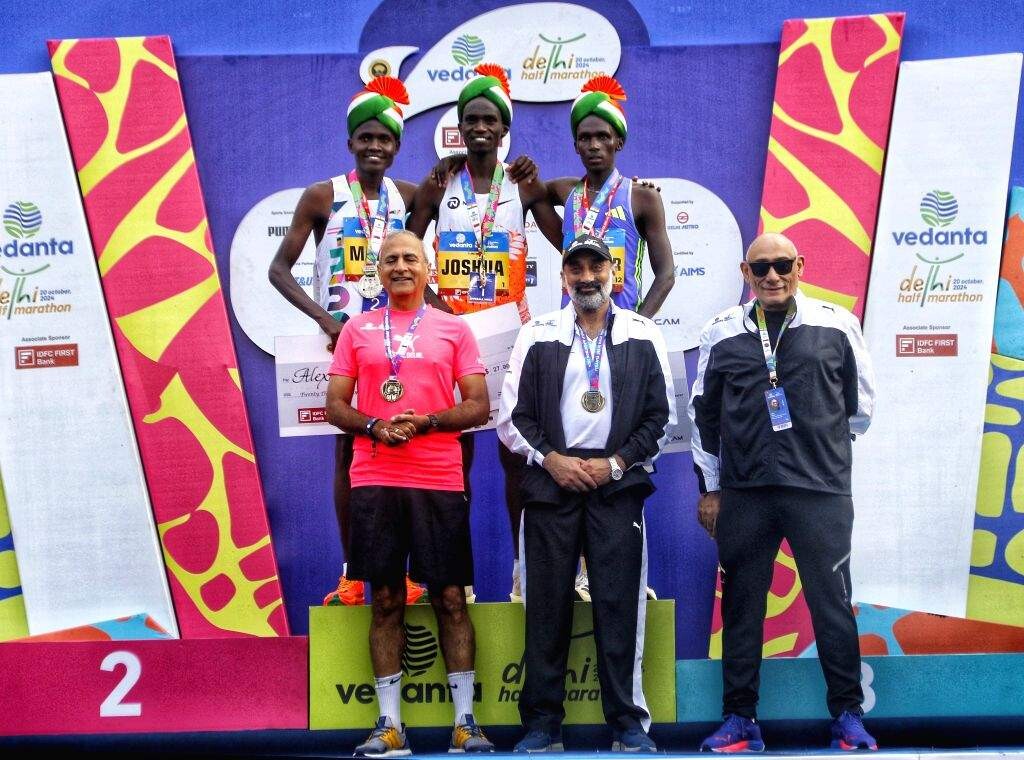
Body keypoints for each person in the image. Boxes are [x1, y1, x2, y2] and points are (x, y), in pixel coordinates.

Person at [688, 232, 877, 752]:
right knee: (742, 607)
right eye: (761, 267)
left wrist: (816, 445)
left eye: (782, 265)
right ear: (745, 272)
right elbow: (703, 415)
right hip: (746, 493)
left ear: (800, 265)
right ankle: (739, 719)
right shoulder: (721, 332)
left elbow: (860, 408)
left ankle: (848, 716)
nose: (772, 276)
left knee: (832, 604)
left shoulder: (837, 324)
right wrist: (711, 487)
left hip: (819, 492)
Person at [497, 233, 675, 753]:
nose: (587, 277)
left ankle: (627, 723)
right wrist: (551, 459)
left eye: (596, 267)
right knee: (545, 607)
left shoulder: (643, 332)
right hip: (551, 482)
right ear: (563, 278)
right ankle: (542, 725)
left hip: (616, 484)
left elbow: (661, 416)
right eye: (576, 269)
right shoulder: (537, 334)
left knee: (619, 606)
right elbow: (512, 417)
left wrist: (615, 463)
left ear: (613, 273)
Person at [325, 230, 494, 756]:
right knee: (385, 600)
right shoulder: (357, 329)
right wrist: (375, 426)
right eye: (391, 259)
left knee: (450, 598)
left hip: (437, 477)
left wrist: (428, 422)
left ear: (428, 269)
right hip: (375, 477)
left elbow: (479, 405)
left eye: (410, 259)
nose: (401, 267)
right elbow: (335, 405)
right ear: (378, 271)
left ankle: (465, 723)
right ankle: (390, 726)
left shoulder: (454, 328)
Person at [408, 62, 554, 604]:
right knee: (454, 462)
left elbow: (571, 236)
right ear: (460, 127)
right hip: (452, 337)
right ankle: (455, 578)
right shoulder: (439, 183)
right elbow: (403, 253)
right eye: (471, 119)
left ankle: (522, 571)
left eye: (490, 120)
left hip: (510, 337)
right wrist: (434, 306)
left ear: (504, 127)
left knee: (516, 459)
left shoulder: (522, 183)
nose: (480, 128)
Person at [539, 75, 675, 602]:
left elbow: (666, 273)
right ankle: (574, 570)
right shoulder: (564, 194)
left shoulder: (642, 197)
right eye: (585, 137)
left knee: (627, 452)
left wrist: (636, 326)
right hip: (574, 337)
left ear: (619, 140)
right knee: (574, 443)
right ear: (575, 144)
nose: (594, 144)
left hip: (622, 340)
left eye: (603, 136)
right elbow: (523, 192)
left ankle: (626, 573)